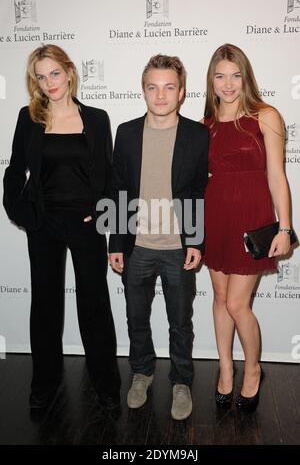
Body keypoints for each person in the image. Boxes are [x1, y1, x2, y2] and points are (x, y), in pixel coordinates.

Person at [3, 44, 121, 411]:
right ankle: (45, 385)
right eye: (40, 76)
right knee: (46, 306)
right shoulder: (29, 117)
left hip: (85, 223)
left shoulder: (98, 118)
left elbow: (110, 177)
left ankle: (106, 384)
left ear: (70, 72)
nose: (48, 82)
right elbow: (14, 171)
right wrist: (20, 212)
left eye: (54, 73)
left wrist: (103, 216)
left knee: (95, 304)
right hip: (44, 223)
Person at [109, 54, 209, 421]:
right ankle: (142, 373)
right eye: (153, 87)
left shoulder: (197, 135)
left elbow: (198, 190)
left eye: (169, 87)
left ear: (182, 92)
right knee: (137, 317)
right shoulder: (127, 132)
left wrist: (196, 240)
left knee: (180, 321)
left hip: (177, 248)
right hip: (136, 248)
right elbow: (118, 188)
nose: (161, 95)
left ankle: (181, 381)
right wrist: (116, 243)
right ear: (143, 90)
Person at [201, 44, 292, 409]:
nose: (228, 84)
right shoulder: (204, 123)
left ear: (246, 76)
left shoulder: (266, 115)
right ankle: (226, 369)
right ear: (211, 79)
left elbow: (276, 176)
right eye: (220, 75)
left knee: (238, 303)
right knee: (221, 299)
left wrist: (284, 229)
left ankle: (252, 369)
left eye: (235, 75)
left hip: (251, 216)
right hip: (215, 215)